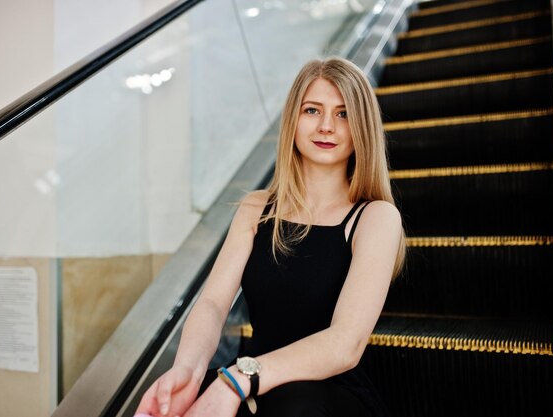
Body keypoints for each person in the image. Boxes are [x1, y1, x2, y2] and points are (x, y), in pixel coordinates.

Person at [135, 57, 405, 417]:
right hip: (251, 383)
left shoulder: (375, 218)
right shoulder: (256, 208)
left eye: (343, 114)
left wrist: (237, 380)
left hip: (325, 395)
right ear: (293, 119)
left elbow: (345, 344)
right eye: (313, 110)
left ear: (363, 128)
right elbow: (214, 304)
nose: (327, 126)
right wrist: (188, 369)